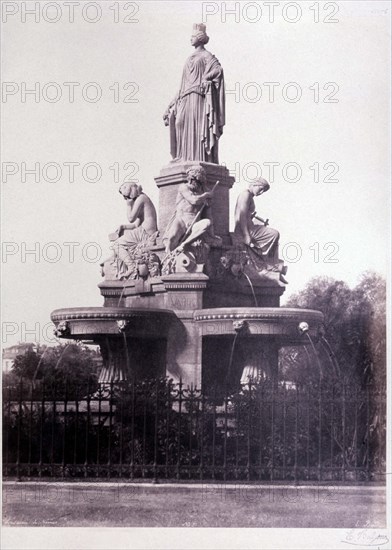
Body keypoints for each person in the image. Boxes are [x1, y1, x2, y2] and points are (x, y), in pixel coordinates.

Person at [163, 23, 225, 164]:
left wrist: (206, 77)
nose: (190, 39)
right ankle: (182, 157)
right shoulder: (189, 58)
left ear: (199, 37)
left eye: (192, 36)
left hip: (198, 98)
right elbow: (182, 86)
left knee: (196, 128)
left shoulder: (206, 56)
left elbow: (218, 70)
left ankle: (198, 158)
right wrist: (170, 105)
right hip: (185, 97)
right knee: (179, 123)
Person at [163, 166, 220, 253]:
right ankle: (169, 256)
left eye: (196, 181)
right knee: (172, 237)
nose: (193, 183)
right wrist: (206, 195)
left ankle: (184, 244)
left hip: (194, 224)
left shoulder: (204, 191)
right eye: (192, 180)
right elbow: (193, 200)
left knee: (207, 222)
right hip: (181, 220)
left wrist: (212, 234)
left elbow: (208, 214)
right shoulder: (184, 187)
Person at [110, 183, 158, 278]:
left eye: (126, 197)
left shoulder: (141, 199)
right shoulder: (142, 198)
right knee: (120, 241)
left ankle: (131, 267)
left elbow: (131, 218)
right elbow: (135, 224)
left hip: (145, 233)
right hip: (144, 230)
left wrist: (129, 205)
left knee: (117, 245)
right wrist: (123, 226)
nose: (126, 199)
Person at [233, 178, 280, 263]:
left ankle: (268, 262)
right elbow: (242, 216)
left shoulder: (248, 195)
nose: (261, 192)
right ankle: (269, 263)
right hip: (245, 230)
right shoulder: (246, 195)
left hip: (249, 228)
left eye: (263, 191)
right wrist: (246, 235)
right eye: (261, 189)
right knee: (274, 234)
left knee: (271, 233)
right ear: (255, 184)